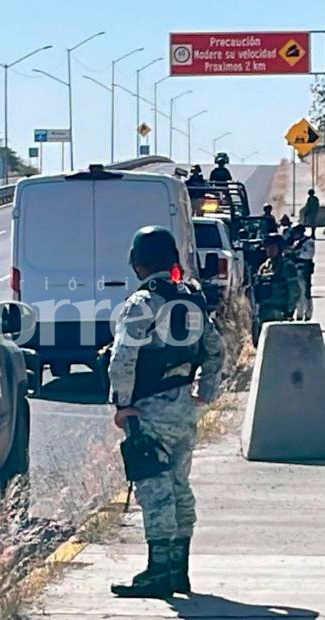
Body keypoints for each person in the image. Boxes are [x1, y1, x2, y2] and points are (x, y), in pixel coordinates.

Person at [109, 226, 224, 598]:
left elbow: (123, 358)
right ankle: (179, 570)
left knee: (154, 489)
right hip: (182, 406)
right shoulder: (191, 299)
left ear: (137, 263)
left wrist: (122, 404)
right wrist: (204, 392)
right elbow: (215, 349)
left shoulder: (142, 302)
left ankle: (159, 573)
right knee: (179, 485)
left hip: (148, 410)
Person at [251, 234, 301, 345]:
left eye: (272, 247)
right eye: (267, 247)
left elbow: (295, 291)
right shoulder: (264, 267)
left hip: (279, 311)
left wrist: (289, 311)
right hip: (263, 311)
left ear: (279, 248)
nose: (269, 250)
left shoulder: (287, 267)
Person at [288, 225, 316, 321]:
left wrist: (295, 253)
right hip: (295, 270)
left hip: (304, 269)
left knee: (305, 293)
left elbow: (308, 255)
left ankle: (307, 314)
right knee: (298, 293)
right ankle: (299, 314)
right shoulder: (296, 242)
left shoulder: (308, 242)